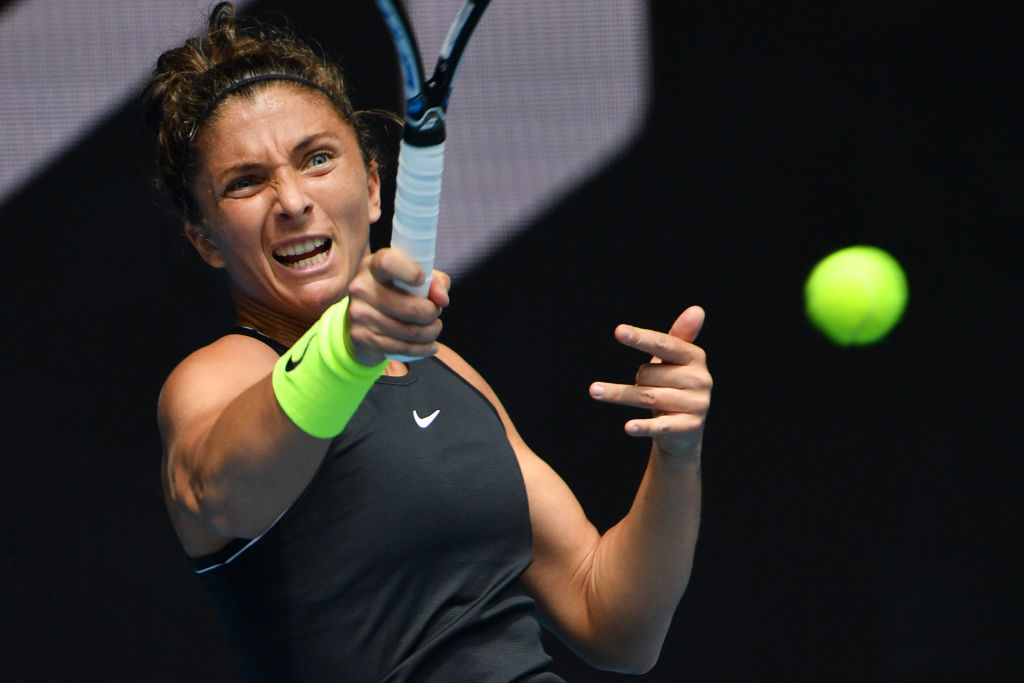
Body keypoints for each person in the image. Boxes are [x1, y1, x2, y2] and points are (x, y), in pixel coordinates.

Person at [148, 3, 711, 681]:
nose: (291, 200)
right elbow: (220, 494)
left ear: (373, 186)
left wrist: (676, 457)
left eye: (317, 158)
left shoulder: (447, 371)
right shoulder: (215, 377)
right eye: (245, 182)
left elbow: (613, 623)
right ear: (205, 239)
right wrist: (344, 347)